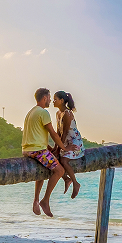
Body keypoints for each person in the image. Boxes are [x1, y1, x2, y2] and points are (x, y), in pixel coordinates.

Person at [22, 88, 76, 217]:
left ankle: (36, 201)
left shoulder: (31, 112)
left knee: (42, 171)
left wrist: (50, 148)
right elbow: (53, 134)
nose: (50, 100)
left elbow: (35, 135)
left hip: (27, 150)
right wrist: (64, 148)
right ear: (44, 98)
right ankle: (45, 201)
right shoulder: (43, 112)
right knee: (59, 170)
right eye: (49, 97)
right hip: (37, 151)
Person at [52, 90, 84, 199]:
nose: (53, 101)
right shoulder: (58, 113)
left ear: (61, 100)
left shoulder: (67, 113)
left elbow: (65, 132)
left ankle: (75, 183)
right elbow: (58, 132)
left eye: (55, 99)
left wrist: (60, 148)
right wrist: (56, 147)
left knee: (64, 160)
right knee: (54, 157)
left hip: (74, 142)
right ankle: (66, 179)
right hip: (64, 141)